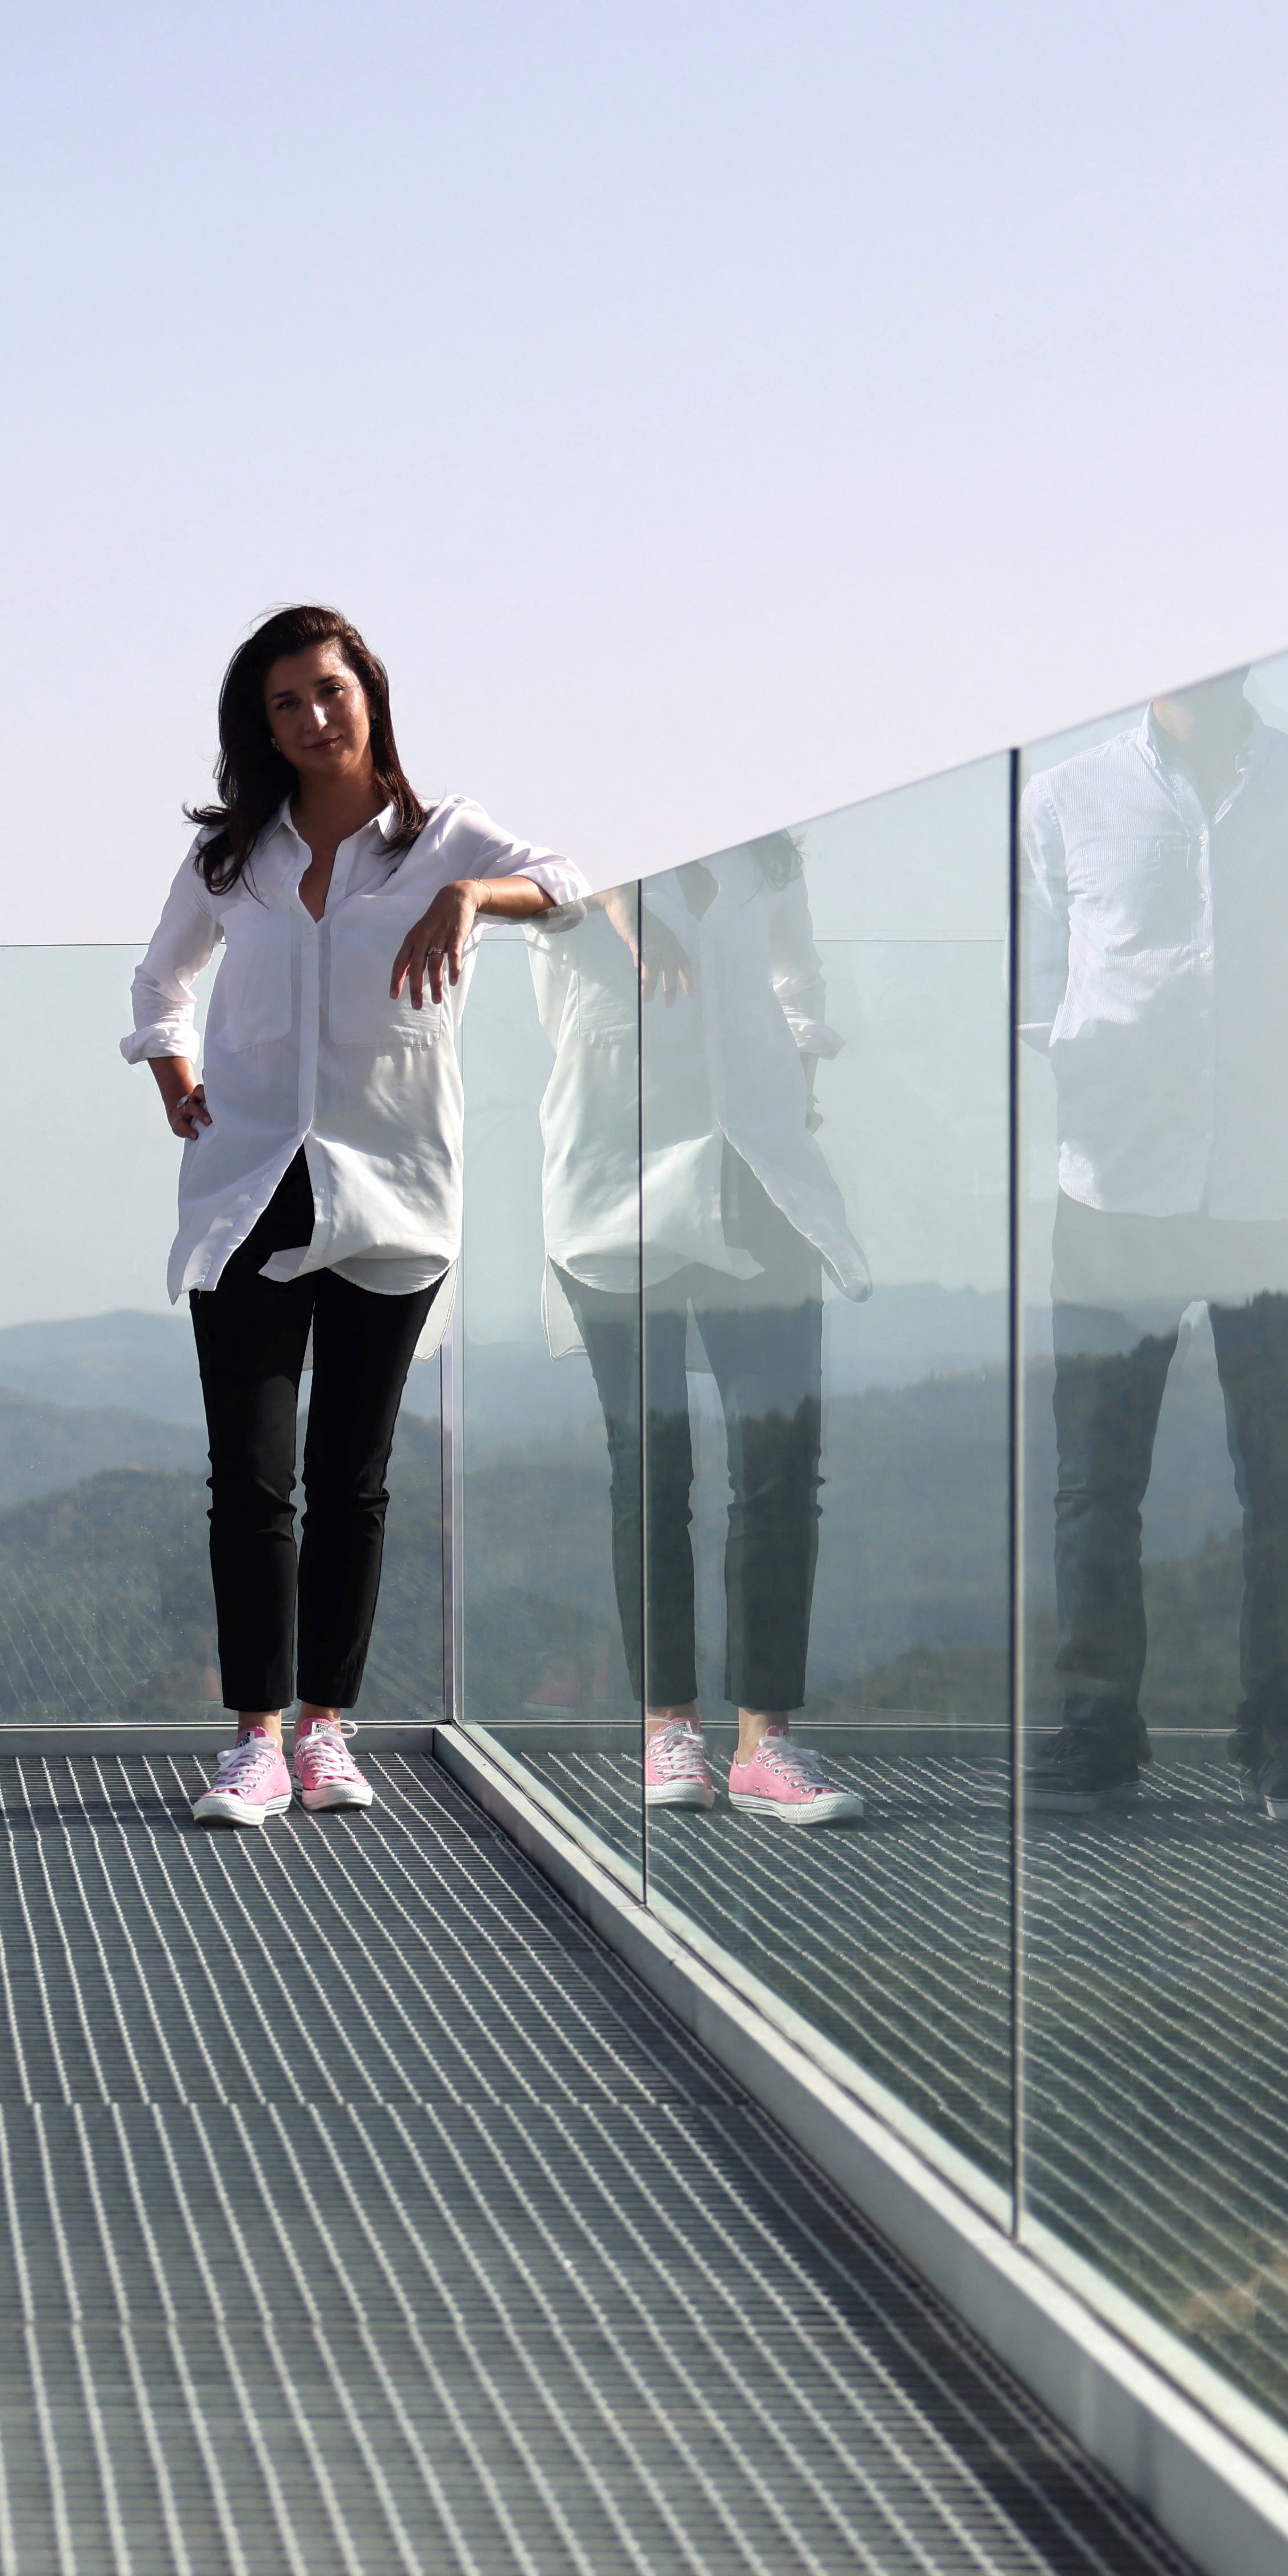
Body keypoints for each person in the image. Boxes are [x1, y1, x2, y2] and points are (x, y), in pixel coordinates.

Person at [124, 607, 584, 1828]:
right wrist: (173, 1072)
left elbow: (572, 886)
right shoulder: (237, 857)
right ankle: (255, 1740)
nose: (313, 717)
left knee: (353, 1477)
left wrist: (473, 897)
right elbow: (159, 980)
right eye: (285, 702)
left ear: (369, 694)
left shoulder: (442, 838)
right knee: (252, 1476)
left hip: (393, 1191)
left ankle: (330, 1728)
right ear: (260, 727)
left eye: (329, 691)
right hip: (248, 1185)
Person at [1019, 670, 1288, 1818]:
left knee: (1286, 1482)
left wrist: (1250, 1054)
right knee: (1093, 1483)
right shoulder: (1064, 794)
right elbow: (1036, 985)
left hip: (1274, 1185)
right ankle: (1096, 1732)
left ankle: (1280, 1734)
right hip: (1114, 1185)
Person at [531, 837, 870, 1824]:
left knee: (778, 1463)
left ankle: (768, 1740)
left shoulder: (769, 857)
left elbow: (797, 978)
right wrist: (625, 896)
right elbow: (536, 875)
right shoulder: (566, 858)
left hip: (756, 1175)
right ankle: (667, 1726)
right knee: (651, 1463)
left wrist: (791, 1080)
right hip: (614, 1183)